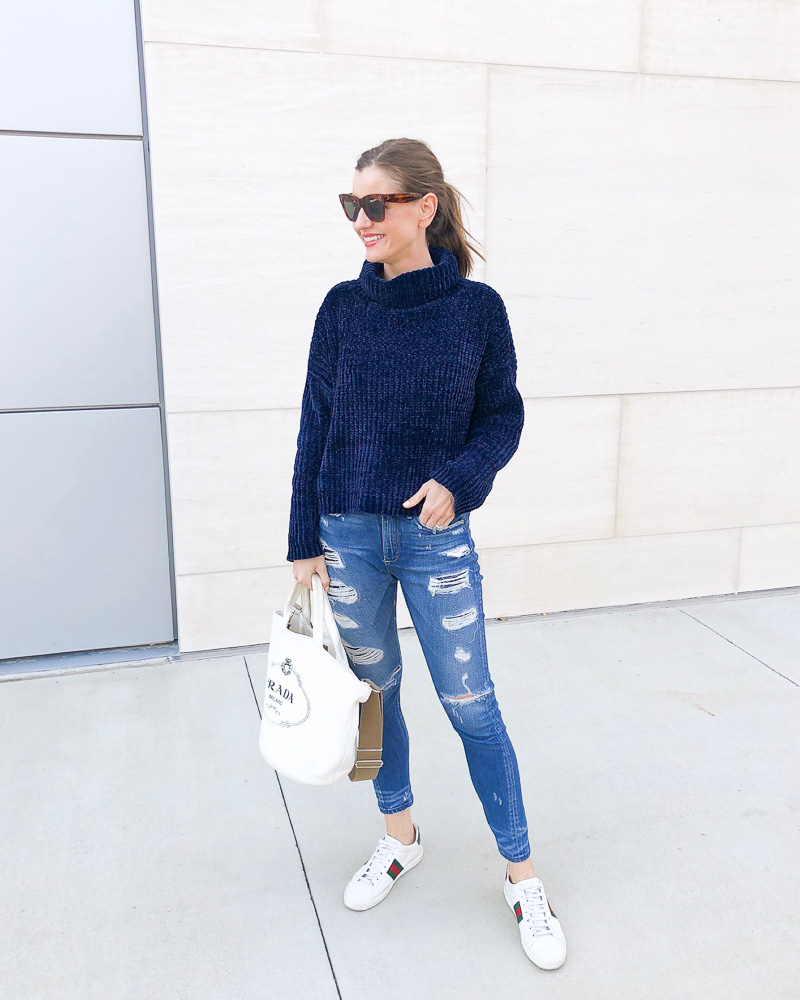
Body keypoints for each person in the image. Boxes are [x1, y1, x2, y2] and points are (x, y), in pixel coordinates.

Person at [286, 137, 567, 971]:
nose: (362, 221)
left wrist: (461, 478)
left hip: (434, 536)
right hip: (347, 533)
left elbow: (502, 418)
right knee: (375, 695)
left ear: (423, 208)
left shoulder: (477, 312)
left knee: (471, 700)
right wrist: (303, 537)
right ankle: (398, 834)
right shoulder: (341, 308)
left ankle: (521, 876)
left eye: (377, 205)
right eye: (352, 206)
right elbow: (315, 424)